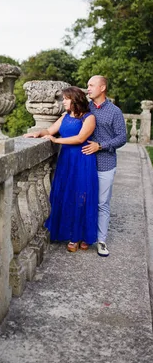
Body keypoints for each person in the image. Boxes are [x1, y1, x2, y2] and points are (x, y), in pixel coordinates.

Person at [24, 86, 98, 253]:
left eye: (65, 98)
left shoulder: (89, 118)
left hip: (82, 160)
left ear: (75, 99)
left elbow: (80, 138)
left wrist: (56, 141)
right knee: (66, 194)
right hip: (66, 160)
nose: (63, 101)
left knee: (81, 196)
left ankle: (79, 236)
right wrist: (37, 134)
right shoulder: (65, 116)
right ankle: (69, 233)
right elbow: (50, 130)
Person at [81, 75, 127, 257]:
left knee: (102, 203)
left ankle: (101, 240)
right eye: (87, 85)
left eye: (91, 85)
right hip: (85, 162)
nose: (88, 88)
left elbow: (122, 137)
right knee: (84, 199)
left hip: (105, 163)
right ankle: (85, 235)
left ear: (102, 88)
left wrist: (100, 146)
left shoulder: (115, 111)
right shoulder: (85, 109)